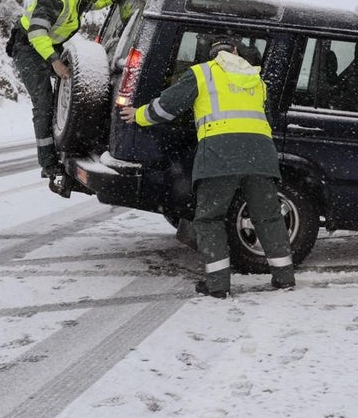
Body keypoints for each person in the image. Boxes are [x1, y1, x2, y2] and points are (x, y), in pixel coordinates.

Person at [119, 36, 295, 298]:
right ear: (236, 51)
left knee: (210, 219)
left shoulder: (202, 73)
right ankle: (284, 278)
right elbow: (265, 117)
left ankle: (218, 285)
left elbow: (168, 107)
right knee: (268, 217)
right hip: (260, 155)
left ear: (211, 54)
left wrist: (138, 115)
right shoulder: (256, 79)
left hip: (219, 154)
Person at [7, 0, 127, 185]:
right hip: (27, 46)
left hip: (49, 45)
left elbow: (96, 2)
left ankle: (66, 141)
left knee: (70, 84)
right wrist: (54, 61)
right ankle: (48, 163)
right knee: (43, 103)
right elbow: (36, 33)